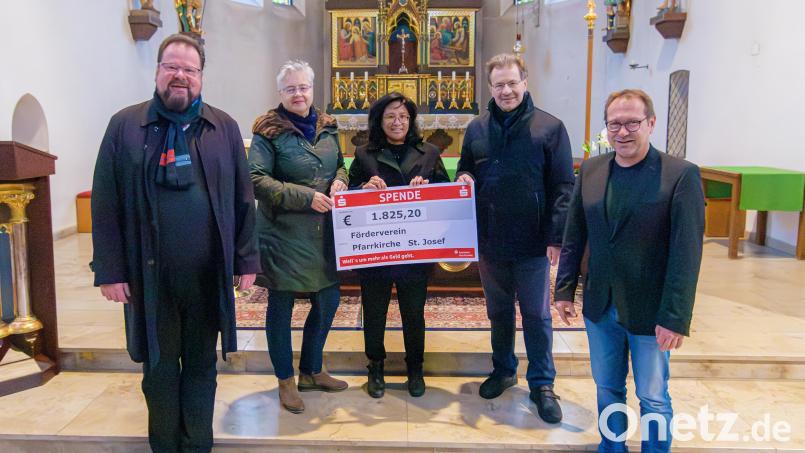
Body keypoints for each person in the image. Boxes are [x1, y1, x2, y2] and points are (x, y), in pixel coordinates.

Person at [91, 33, 260, 452]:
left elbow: (243, 198)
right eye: (172, 67)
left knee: (202, 364)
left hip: (206, 277)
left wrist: (246, 259)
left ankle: (197, 443)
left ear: (201, 76)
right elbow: (105, 200)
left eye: (189, 69)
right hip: (150, 279)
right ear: (158, 71)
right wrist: (110, 271)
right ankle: (165, 445)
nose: (180, 76)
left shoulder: (223, 127)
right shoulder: (125, 125)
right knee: (160, 368)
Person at [554, 89, 705, 452]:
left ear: (651, 123)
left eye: (632, 123)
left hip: (651, 309)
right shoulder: (591, 170)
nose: (622, 132)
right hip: (600, 304)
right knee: (607, 388)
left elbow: (687, 254)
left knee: (653, 396)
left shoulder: (680, 175)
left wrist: (675, 316)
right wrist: (563, 289)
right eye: (614, 124)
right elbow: (574, 234)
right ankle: (613, 446)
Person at [455, 53, 574, 424]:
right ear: (489, 88)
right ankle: (504, 369)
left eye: (512, 83)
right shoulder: (477, 128)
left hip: (533, 242)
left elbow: (563, 187)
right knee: (499, 311)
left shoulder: (550, 127)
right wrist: (462, 178)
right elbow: (464, 168)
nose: (506, 90)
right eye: (498, 84)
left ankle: (542, 383)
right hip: (490, 240)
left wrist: (555, 237)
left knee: (537, 315)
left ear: (525, 82)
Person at [249, 60, 349, 414]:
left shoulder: (328, 126)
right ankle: (286, 380)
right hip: (283, 234)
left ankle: (312, 368)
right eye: (290, 88)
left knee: (329, 300)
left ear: (312, 88)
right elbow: (257, 179)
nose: (298, 94)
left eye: (303, 87)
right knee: (281, 307)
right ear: (281, 93)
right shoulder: (268, 131)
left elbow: (339, 163)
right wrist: (306, 197)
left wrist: (342, 179)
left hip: (323, 235)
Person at [348, 92, 450, 399]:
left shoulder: (430, 152)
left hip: (414, 253)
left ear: (411, 121)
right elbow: (348, 195)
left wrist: (430, 189)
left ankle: (415, 369)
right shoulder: (364, 153)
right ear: (380, 120)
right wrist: (363, 188)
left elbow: (448, 193)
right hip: (376, 252)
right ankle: (375, 367)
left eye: (403, 117)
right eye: (391, 116)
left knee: (413, 313)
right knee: (375, 312)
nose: (397, 122)